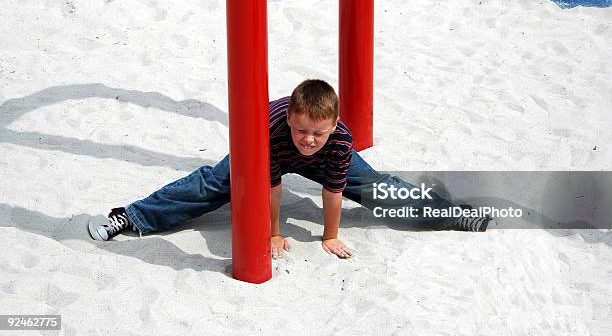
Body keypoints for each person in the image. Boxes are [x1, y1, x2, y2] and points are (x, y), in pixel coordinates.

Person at [89, 80, 493, 258]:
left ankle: (452, 213)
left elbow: (333, 191)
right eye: (302, 130)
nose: (308, 138)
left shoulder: (336, 142)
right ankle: (131, 216)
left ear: (334, 126)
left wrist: (329, 237)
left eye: (317, 131)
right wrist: (274, 233)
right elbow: (272, 187)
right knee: (214, 183)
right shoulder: (275, 132)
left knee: (374, 185)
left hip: (326, 156)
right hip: (267, 150)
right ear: (290, 122)